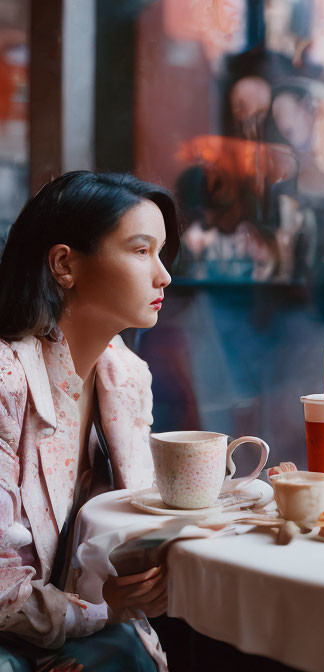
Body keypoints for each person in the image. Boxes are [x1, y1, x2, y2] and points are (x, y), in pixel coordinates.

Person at [0, 171, 180, 671]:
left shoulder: (125, 377)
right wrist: (98, 613)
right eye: (142, 251)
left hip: (65, 633)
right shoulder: (6, 382)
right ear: (64, 264)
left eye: (161, 253)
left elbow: (133, 518)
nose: (163, 275)